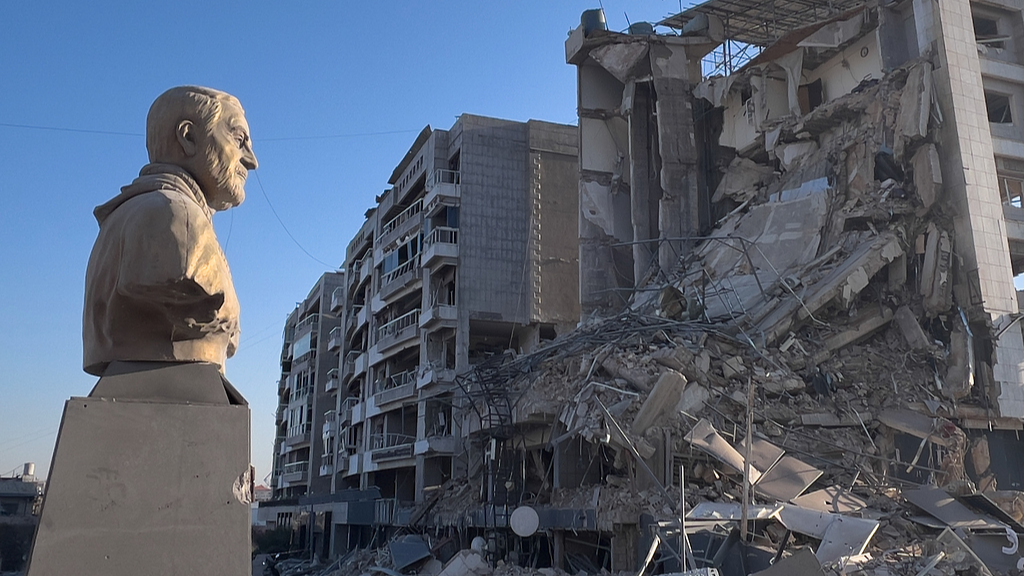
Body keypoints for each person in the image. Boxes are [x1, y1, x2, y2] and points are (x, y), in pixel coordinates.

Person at [82, 86, 258, 376]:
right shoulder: (174, 216)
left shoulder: (128, 214)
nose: (251, 161)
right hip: (167, 383)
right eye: (239, 140)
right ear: (188, 137)